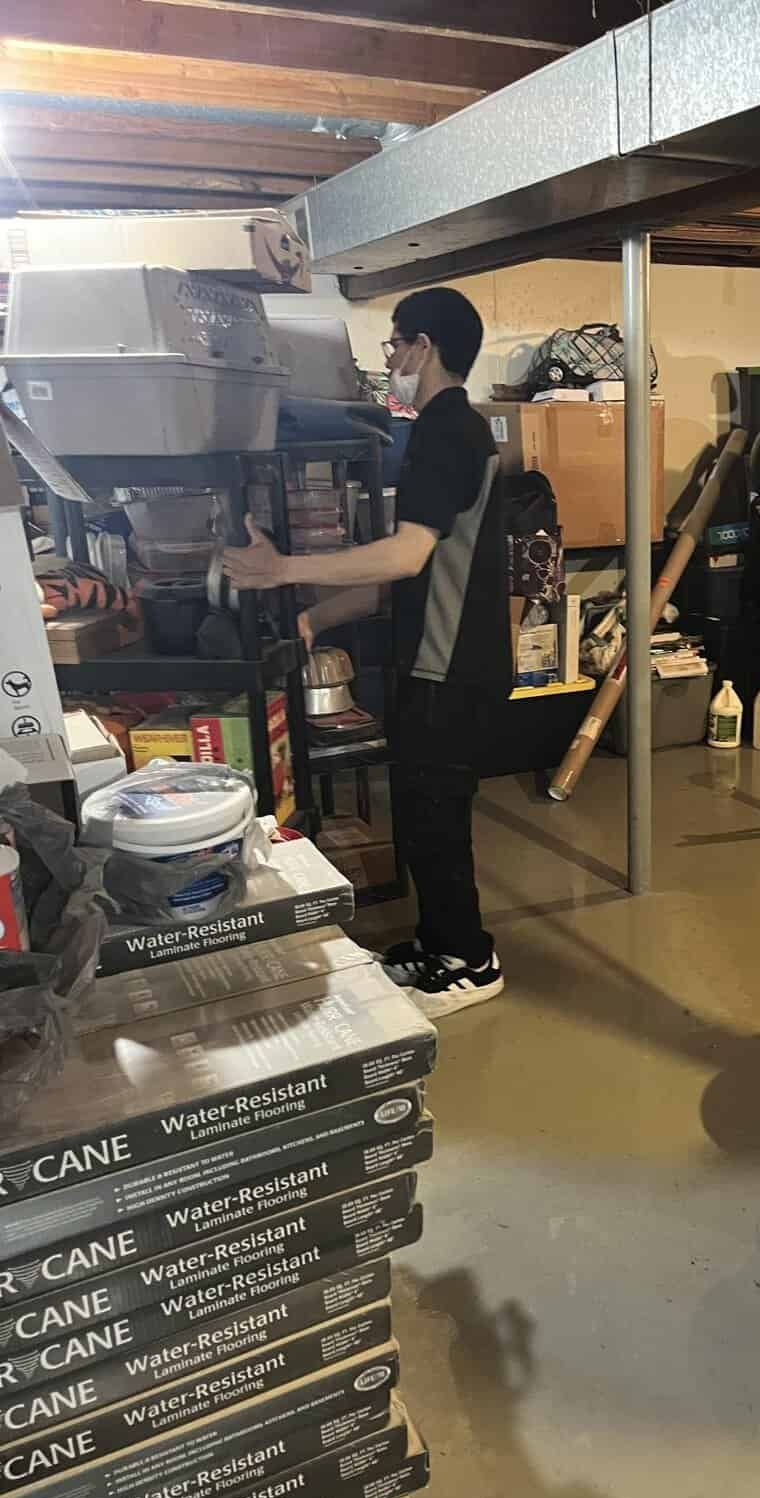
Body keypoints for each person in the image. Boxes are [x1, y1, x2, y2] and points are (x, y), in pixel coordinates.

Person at [223, 287, 509, 1018]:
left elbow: (407, 556)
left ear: (424, 347)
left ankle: (470, 962)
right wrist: (320, 614)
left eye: (394, 345)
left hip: (449, 665)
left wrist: (282, 569)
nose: (389, 360)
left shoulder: (448, 430)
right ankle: (438, 938)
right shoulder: (449, 429)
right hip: (436, 657)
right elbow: (405, 578)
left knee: (436, 816)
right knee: (419, 812)